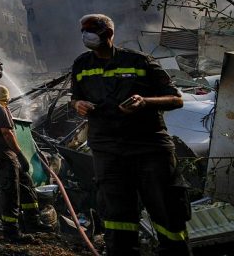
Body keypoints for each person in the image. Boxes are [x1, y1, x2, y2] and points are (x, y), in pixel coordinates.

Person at [71, 14, 190, 256]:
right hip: (107, 151)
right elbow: (74, 97)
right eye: (83, 30)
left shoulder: (139, 61)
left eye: (93, 29)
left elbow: (176, 98)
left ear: (110, 33)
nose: (87, 35)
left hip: (149, 149)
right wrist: (77, 105)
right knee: (117, 217)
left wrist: (144, 101)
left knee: (167, 212)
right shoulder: (81, 65)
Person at [0, 85, 50, 239]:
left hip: (0, 153)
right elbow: (7, 132)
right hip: (5, 154)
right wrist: (20, 154)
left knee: (26, 184)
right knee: (11, 192)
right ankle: (11, 231)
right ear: (5, 97)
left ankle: (33, 222)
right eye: (7, 99)